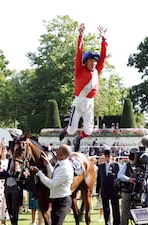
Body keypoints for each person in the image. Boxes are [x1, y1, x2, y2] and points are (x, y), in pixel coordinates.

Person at [59, 23, 108, 152]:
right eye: (91, 60)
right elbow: (79, 52)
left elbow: (103, 57)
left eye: (95, 61)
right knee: (71, 129)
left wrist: (104, 40)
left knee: (89, 130)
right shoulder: (79, 70)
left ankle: (78, 139)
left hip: (90, 103)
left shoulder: (97, 70)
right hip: (78, 101)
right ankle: (66, 129)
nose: (94, 63)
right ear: (86, 62)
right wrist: (80, 35)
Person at [30, 144, 74, 225]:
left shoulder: (65, 168)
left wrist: (39, 173)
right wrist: (48, 164)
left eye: (58, 151)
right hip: (56, 201)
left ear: (63, 155)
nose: (56, 152)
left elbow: (51, 184)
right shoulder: (61, 164)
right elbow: (54, 174)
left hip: (62, 201)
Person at [96, 148, 121, 225]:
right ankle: (107, 223)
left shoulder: (116, 165)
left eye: (108, 156)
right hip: (104, 190)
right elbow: (99, 179)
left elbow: (119, 179)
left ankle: (116, 223)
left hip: (114, 190)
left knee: (115, 208)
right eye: (106, 156)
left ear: (111, 157)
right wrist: (97, 191)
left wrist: (120, 190)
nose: (107, 158)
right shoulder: (100, 166)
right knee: (106, 209)